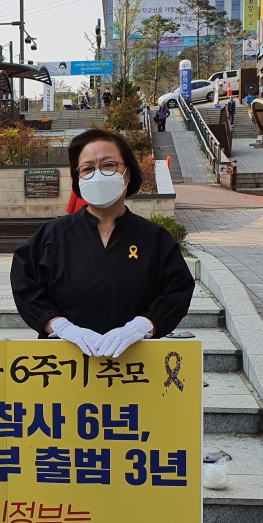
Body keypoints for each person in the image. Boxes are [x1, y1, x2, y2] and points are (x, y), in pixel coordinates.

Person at [11, 128, 195, 356]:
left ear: (127, 173)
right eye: (87, 168)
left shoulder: (154, 238)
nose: (97, 174)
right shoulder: (52, 236)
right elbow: (25, 283)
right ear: (78, 178)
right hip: (66, 363)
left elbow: (177, 290)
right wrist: (59, 325)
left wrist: (143, 325)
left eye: (108, 165)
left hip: (137, 364)